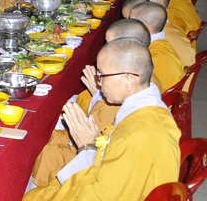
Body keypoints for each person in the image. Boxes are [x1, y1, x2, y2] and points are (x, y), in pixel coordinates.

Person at [24, 39, 180, 201]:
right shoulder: (152, 109)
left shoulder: (134, 136)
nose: (99, 82)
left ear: (129, 80)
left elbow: (98, 196)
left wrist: (86, 147)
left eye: (102, 75)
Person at [129, 2, 186, 93]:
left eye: (131, 22)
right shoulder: (162, 44)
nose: (127, 24)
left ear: (145, 27)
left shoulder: (151, 58)